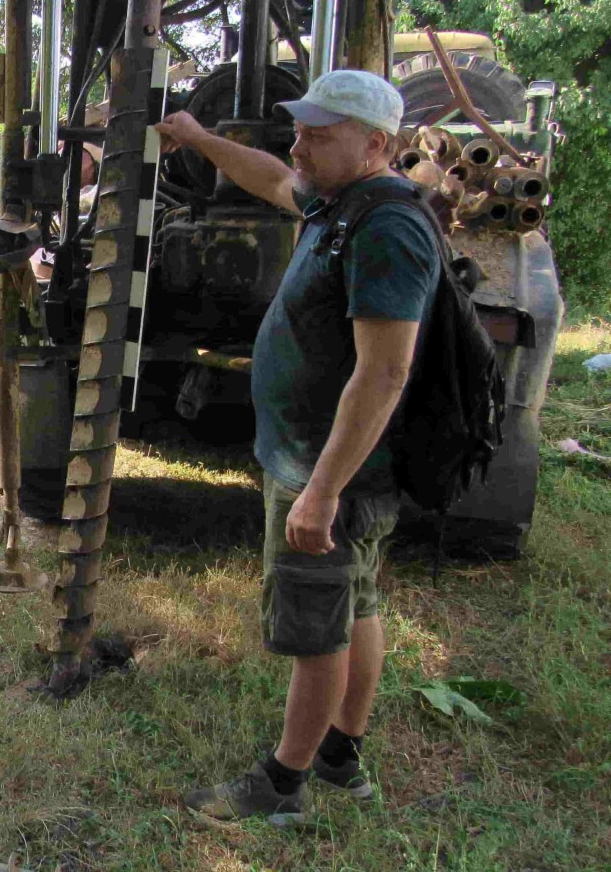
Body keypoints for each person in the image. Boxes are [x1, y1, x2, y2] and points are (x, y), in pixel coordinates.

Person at [154, 70, 441, 824]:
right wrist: (200, 138)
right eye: (301, 129)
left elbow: (384, 372)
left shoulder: (388, 229)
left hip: (329, 468)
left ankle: (283, 785)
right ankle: (342, 756)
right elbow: (272, 178)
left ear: (375, 144)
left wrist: (321, 492)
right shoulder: (341, 201)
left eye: (319, 133)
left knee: (315, 629)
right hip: (318, 459)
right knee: (356, 604)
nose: (298, 145)